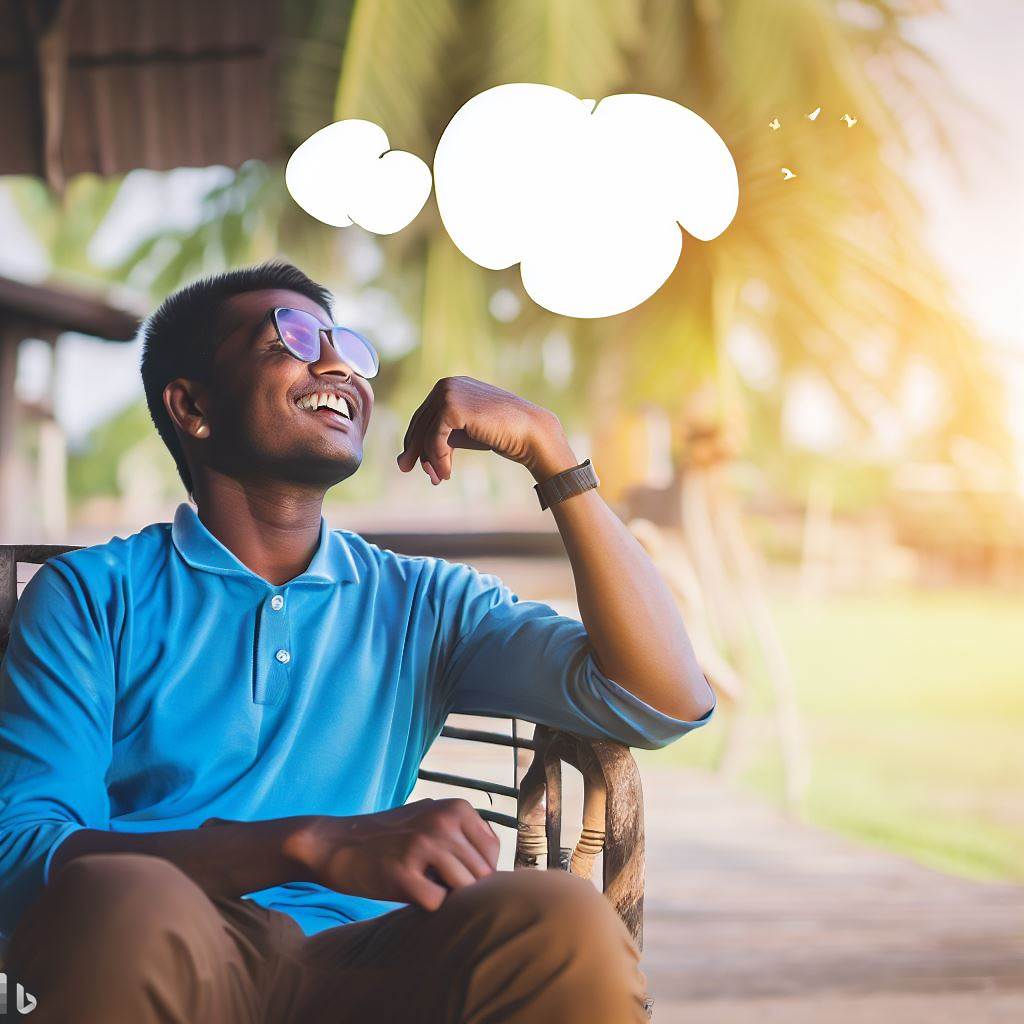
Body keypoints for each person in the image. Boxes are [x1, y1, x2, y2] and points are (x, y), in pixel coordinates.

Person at [0, 262, 714, 1023]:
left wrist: (553, 455)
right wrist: (307, 842)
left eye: (347, 346)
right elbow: (21, 860)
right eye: (293, 338)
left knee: (560, 920)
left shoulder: (423, 604)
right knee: (121, 896)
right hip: (160, 951)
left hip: (365, 962)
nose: (337, 363)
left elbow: (664, 701)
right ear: (193, 405)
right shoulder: (92, 596)